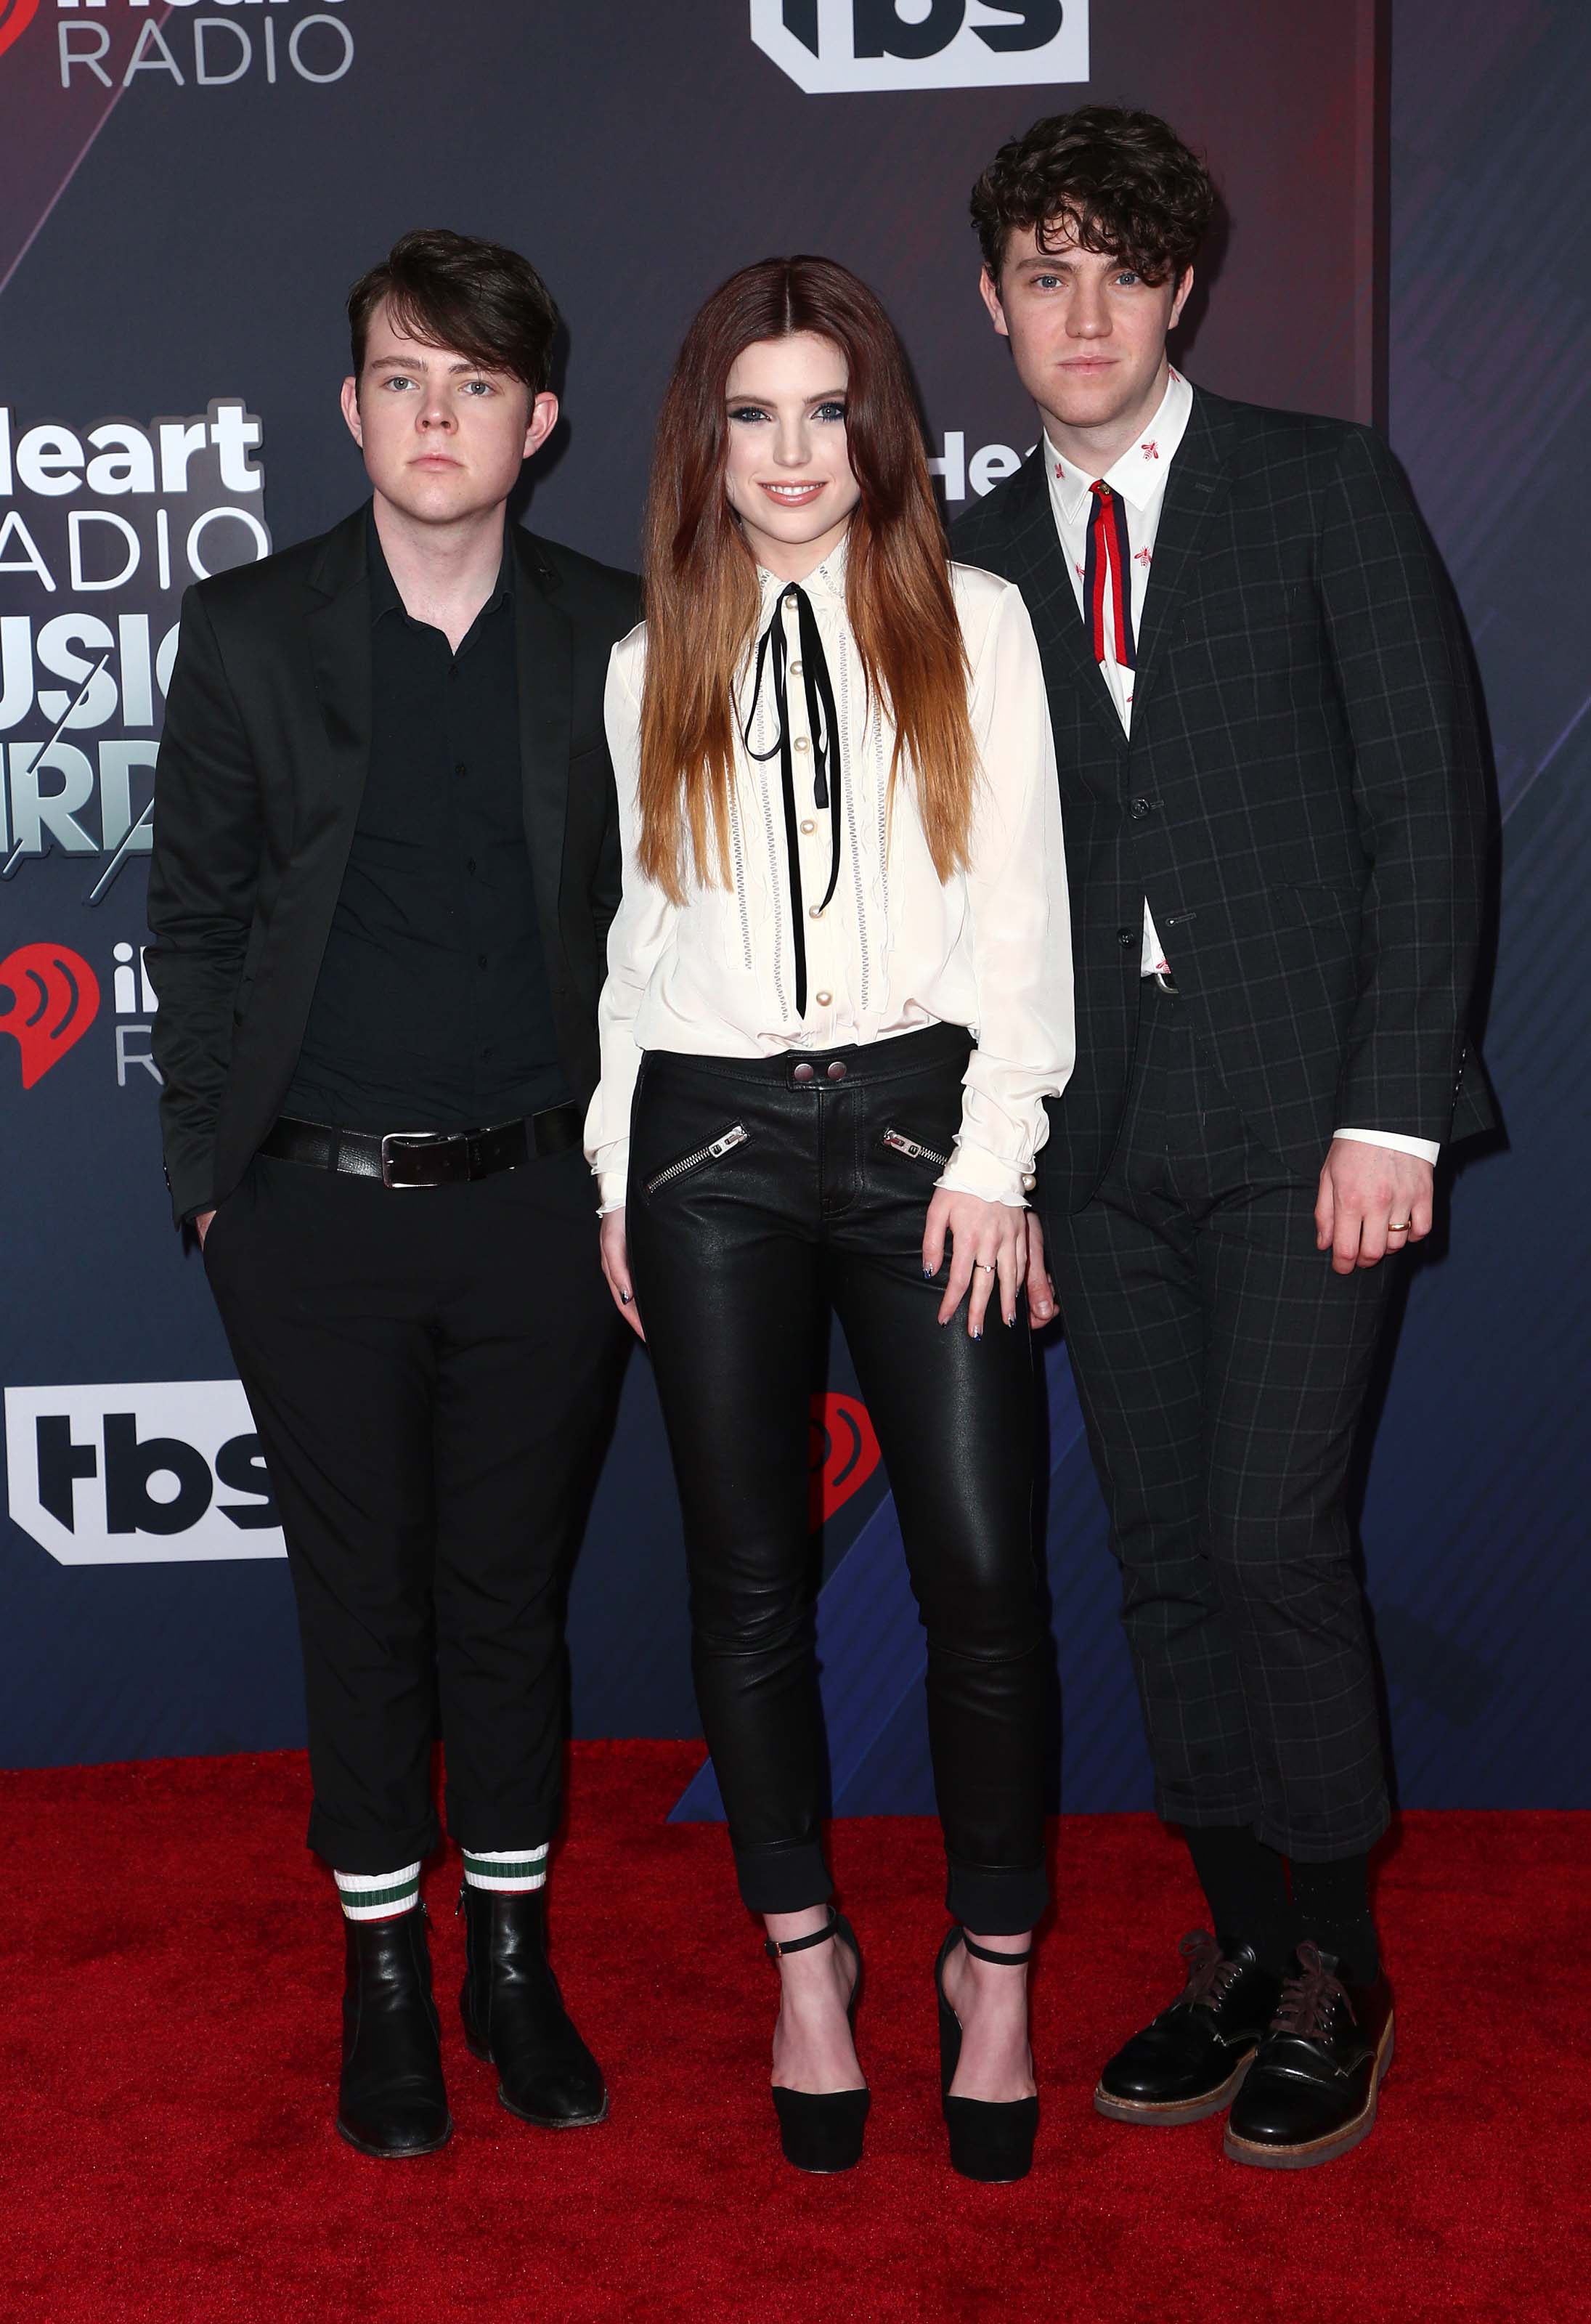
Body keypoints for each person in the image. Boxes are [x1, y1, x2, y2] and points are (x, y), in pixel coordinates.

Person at [953, 107, 1493, 2169]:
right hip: (1092, 1132)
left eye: (1121, 269)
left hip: (1305, 1109)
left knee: (1271, 1536)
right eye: (1046, 273)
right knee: (1165, 1555)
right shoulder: (967, 558)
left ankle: (1343, 1961)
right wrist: (990, 1156)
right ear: (996, 304)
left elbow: (1429, 806)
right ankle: (1244, 1942)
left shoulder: (1319, 482)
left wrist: (1395, 1106)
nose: (1083, 311)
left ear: (1180, 287)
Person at [147, 229, 638, 2160]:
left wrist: (628, 1182)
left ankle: (513, 1959)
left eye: (479, 385)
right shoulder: (250, 633)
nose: (441, 418)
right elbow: (193, 926)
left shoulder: (620, 632)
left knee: (508, 1601)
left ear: (541, 421)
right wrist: (211, 1188)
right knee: (360, 1606)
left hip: (541, 1215)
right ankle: (383, 1979)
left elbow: (670, 931)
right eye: (407, 381)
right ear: (353, 409)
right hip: (310, 1220)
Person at [585, 256, 1073, 2182]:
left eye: (825, 409)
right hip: (705, 1144)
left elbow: (1021, 909)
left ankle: (994, 1973)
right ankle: (808, 1963)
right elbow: (639, 947)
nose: (791, 452)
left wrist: (996, 1155)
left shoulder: (978, 623)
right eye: (751, 413)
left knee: (985, 1575)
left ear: (880, 424)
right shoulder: (652, 660)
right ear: (704, 439)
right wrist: (618, 1173)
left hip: (922, 1134)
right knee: (746, 1581)